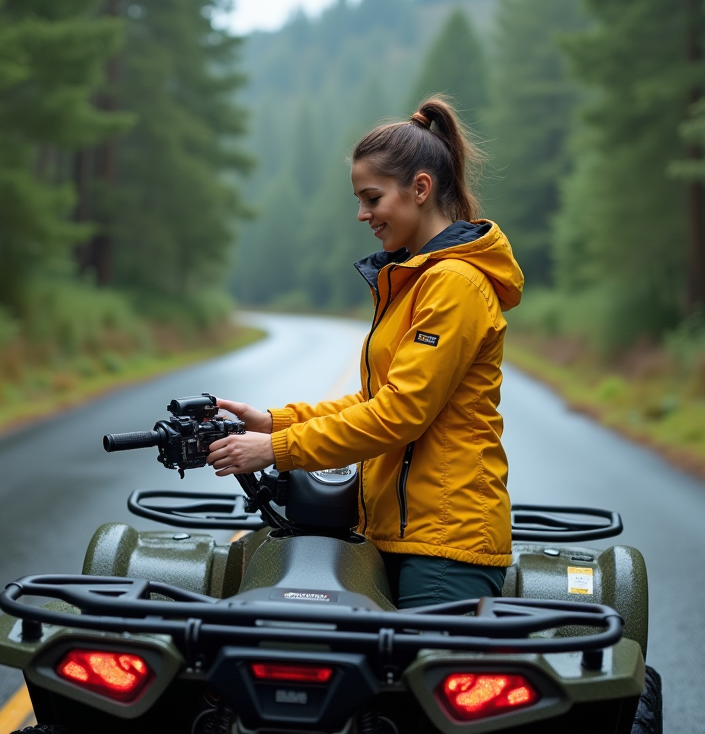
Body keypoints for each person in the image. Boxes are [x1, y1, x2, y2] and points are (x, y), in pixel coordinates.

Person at [207, 95, 525, 609]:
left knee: (427, 685)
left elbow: (401, 414)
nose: (362, 214)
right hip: (402, 532)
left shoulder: (455, 283)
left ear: (420, 188)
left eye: (372, 198)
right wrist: (273, 422)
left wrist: (276, 451)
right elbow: (375, 399)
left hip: (444, 545)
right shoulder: (414, 280)